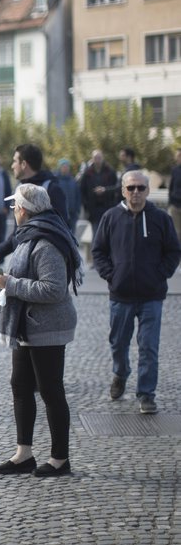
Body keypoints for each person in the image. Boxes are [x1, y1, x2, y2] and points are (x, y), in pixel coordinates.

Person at [0, 184, 82, 478]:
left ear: (23, 210)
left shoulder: (46, 242)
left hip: (47, 327)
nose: (13, 212)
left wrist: (11, 284)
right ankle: (24, 454)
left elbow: (54, 290)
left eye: (14, 207)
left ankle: (60, 459)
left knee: (51, 391)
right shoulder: (29, 235)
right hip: (27, 326)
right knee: (20, 384)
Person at [92, 171, 181, 415]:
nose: (136, 193)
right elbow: (98, 252)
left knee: (149, 347)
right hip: (120, 295)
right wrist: (111, 275)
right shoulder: (111, 218)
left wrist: (160, 274)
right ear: (123, 190)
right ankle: (120, 373)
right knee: (118, 343)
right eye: (131, 188)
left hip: (152, 296)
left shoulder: (160, 218)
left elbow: (174, 251)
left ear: (148, 190)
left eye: (141, 188)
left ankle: (146, 393)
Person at [0, 144, 68, 265]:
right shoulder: (19, 188)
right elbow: (19, 233)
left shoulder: (52, 189)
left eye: (15, 161)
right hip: (24, 261)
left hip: (45, 264)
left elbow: (62, 229)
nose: (12, 165)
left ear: (24, 165)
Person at [79, 149, 118, 237]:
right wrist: (86, 206)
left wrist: (105, 190)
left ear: (103, 158)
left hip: (107, 207)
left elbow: (116, 188)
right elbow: (82, 190)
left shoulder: (110, 171)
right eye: (95, 158)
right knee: (96, 235)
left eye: (99, 157)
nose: (97, 160)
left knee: (107, 234)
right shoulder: (87, 173)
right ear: (92, 159)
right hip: (93, 209)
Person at [56, 159, 81, 236]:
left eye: (67, 166)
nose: (65, 168)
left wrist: (77, 209)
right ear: (60, 168)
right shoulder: (56, 181)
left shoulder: (73, 181)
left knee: (72, 235)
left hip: (72, 213)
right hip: (60, 213)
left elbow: (78, 196)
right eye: (63, 166)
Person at [168, 149, 181, 243]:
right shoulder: (175, 170)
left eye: (179, 155)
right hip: (175, 205)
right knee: (176, 233)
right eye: (177, 156)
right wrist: (170, 203)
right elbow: (171, 187)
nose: (177, 158)